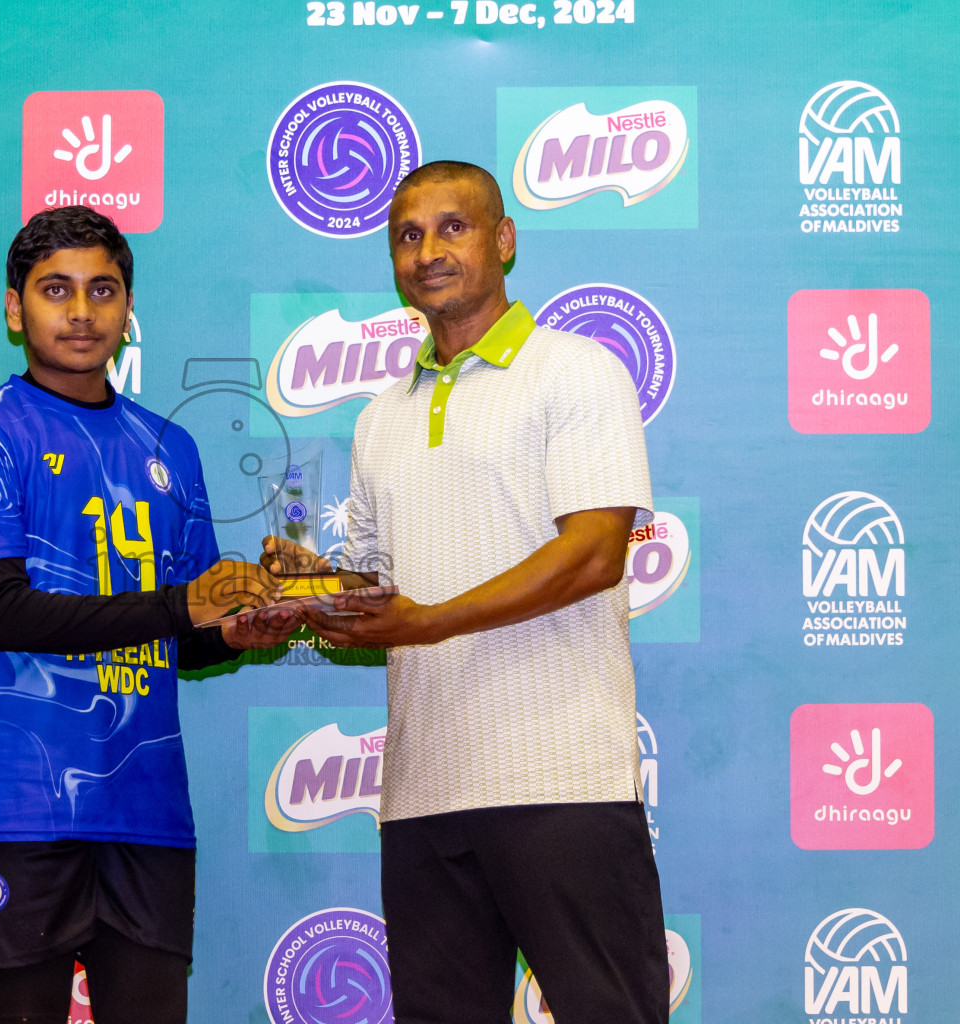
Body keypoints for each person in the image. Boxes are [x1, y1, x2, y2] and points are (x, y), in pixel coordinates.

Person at [270, 161, 669, 1024]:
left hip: (561, 780)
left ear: (504, 241)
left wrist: (428, 620)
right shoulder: (380, 416)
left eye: (453, 227)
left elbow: (595, 554)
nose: (428, 252)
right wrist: (313, 594)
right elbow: (382, 602)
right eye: (408, 235)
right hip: (421, 795)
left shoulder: (577, 370)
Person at [0, 205, 295, 1024]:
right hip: (16, 802)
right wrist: (180, 607)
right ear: (15, 308)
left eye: (104, 290)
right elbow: (5, 616)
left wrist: (231, 628)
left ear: (130, 311)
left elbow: (184, 642)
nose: (82, 311)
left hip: (148, 810)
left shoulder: (172, 448)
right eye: (56, 290)